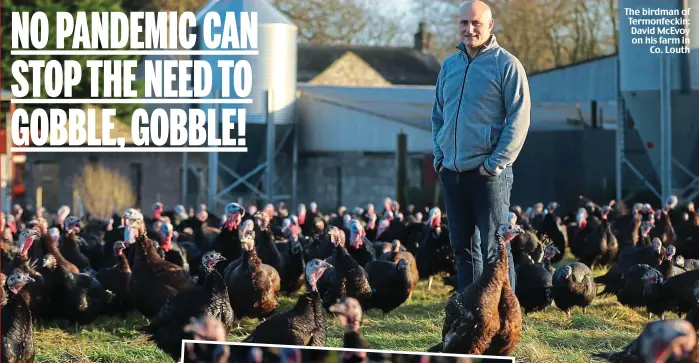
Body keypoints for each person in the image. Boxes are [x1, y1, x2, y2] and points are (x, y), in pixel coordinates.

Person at [431, 0, 531, 293]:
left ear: (490, 25)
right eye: (464, 22)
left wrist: (495, 163)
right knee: (464, 251)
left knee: (494, 252)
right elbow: (438, 115)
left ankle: (503, 321)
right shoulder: (449, 65)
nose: (469, 28)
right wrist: (440, 156)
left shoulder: (506, 65)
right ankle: (469, 315)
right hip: (452, 172)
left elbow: (519, 118)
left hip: (489, 175)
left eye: (476, 23)